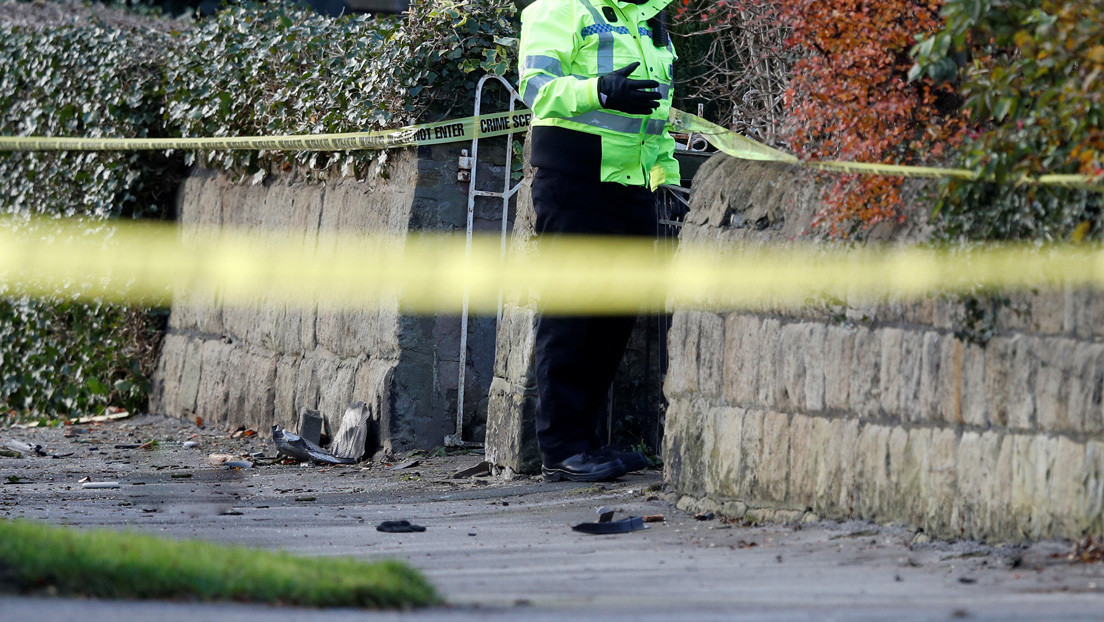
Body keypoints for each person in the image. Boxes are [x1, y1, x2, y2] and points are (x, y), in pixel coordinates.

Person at [517, 0, 679, 481]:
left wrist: (663, 176)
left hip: (632, 187)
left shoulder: (646, 17)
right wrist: (599, 91)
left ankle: (585, 443)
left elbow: (658, 113)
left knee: (612, 319)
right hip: (577, 181)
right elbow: (536, 89)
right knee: (571, 317)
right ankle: (561, 450)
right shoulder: (557, 8)